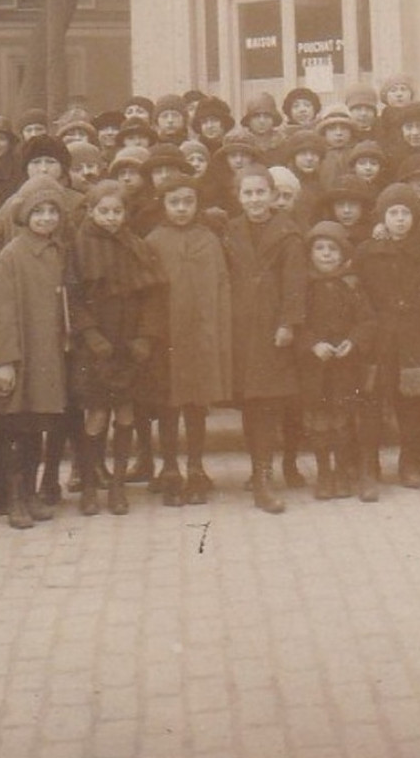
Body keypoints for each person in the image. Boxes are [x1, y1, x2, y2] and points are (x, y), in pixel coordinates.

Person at [67, 180, 169, 516]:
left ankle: (117, 487)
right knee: (96, 416)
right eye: (104, 211)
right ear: (91, 211)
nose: (111, 218)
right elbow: (73, 297)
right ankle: (92, 485)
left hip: (129, 343)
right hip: (97, 345)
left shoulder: (136, 246)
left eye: (117, 211)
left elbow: (153, 297)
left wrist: (145, 337)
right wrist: (90, 334)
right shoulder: (79, 246)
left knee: (125, 413)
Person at [0, 184, 73, 528]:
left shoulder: (60, 251)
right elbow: (1, 312)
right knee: (15, 428)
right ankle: (14, 498)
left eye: (52, 211)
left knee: (38, 426)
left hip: (49, 355)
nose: (46, 218)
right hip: (23, 354)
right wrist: (5, 361)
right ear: (25, 216)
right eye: (39, 212)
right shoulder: (11, 255)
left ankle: (33, 493)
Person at [145, 174, 232, 506]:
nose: (181, 209)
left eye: (188, 202)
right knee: (169, 405)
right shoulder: (154, 241)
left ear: (197, 205)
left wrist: (218, 330)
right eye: (174, 202)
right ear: (163, 205)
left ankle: (196, 467)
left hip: (201, 336)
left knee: (197, 404)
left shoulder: (208, 239)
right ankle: (169, 468)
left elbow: (222, 284)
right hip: (167, 337)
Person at [222, 168, 306, 513]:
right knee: (251, 402)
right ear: (239, 198)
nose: (255, 200)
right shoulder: (231, 230)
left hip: (274, 329)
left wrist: (288, 323)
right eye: (248, 193)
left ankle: (266, 475)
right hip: (241, 329)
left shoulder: (289, 234)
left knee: (269, 402)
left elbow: (295, 283)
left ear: (273, 195)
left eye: (261, 192)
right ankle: (259, 472)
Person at [355, 182, 420, 488]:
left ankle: (410, 461)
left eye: (405, 213)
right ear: (382, 217)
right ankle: (369, 465)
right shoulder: (367, 251)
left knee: (414, 403)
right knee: (372, 400)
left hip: (415, 336)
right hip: (379, 337)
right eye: (393, 213)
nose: (400, 219)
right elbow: (358, 292)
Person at [297, 221, 379, 501]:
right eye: (319, 248)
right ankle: (323, 472)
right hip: (315, 367)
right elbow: (296, 323)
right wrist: (312, 344)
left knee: (343, 419)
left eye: (332, 249)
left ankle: (343, 470)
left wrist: (353, 342)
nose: (326, 254)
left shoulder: (351, 284)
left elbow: (367, 320)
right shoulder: (304, 287)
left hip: (345, 366)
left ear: (344, 254)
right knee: (319, 420)